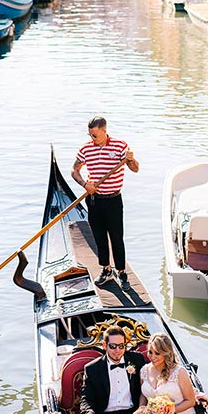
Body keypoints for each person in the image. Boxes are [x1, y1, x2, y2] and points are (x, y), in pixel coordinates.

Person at [71, 116, 139, 290]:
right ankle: (106, 269)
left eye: (94, 135)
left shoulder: (120, 146)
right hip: (94, 200)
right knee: (99, 237)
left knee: (117, 237)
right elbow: (74, 170)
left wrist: (130, 159)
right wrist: (85, 184)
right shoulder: (86, 149)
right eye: (90, 135)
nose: (91, 138)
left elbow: (135, 168)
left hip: (114, 200)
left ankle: (122, 272)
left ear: (104, 131)